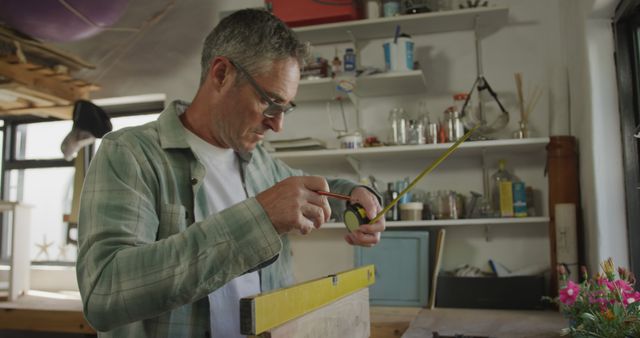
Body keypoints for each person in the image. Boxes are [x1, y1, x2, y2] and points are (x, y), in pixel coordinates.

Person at [76, 8, 385, 338]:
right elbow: (103, 295)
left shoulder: (262, 163)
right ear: (221, 74)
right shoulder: (131, 154)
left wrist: (355, 193)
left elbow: (325, 188)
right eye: (270, 102)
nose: (278, 124)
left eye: (285, 108)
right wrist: (260, 219)